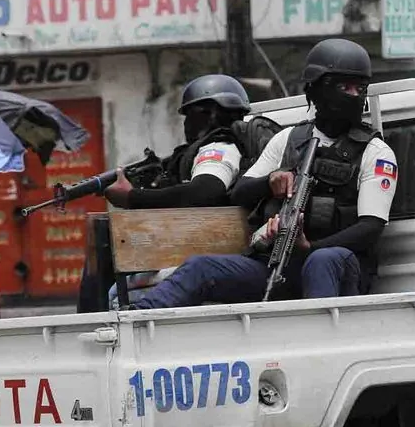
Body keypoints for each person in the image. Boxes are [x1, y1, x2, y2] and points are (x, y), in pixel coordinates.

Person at [121, 38, 397, 310]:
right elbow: (240, 192)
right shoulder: (288, 139)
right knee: (200, 267)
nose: (353, 94)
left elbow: (370, 228)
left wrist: (308, 246)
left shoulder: (375, 151)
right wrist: (270, 181)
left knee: (322, 260)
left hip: (339, 269)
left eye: (359, 88)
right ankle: (139, 320)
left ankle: (318, 343)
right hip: (278, 264)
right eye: (343, 87)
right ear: (317, 89)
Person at [73, 74, 253, 312]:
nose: (186, 123)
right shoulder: (199, 151)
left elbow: (205, 191)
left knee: (110, 261)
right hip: (187, 250)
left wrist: (132, 197)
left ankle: (89, 325)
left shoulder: (220, 147)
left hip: (200, 255)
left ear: (210, 113)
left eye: (190, 115)